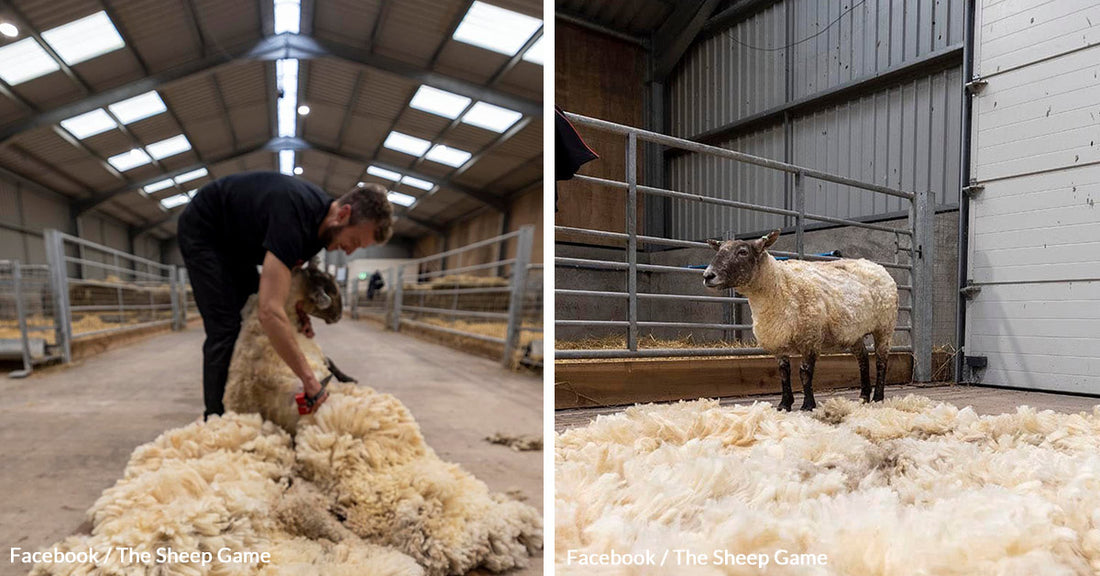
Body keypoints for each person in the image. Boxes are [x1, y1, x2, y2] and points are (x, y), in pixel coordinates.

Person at [177, 172, 394, 419]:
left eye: (359, 247)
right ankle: (216, 419)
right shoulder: (294, 218)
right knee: (226, 327)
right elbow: (269, 312)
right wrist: (309, 379)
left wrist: (296, 310)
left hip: (239, 242)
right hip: (206, 231)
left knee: (254, 316)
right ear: (343, 214)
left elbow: (286, 282)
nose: (349, 251)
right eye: (353, 240)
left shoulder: (319, 229)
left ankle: (249, 402)